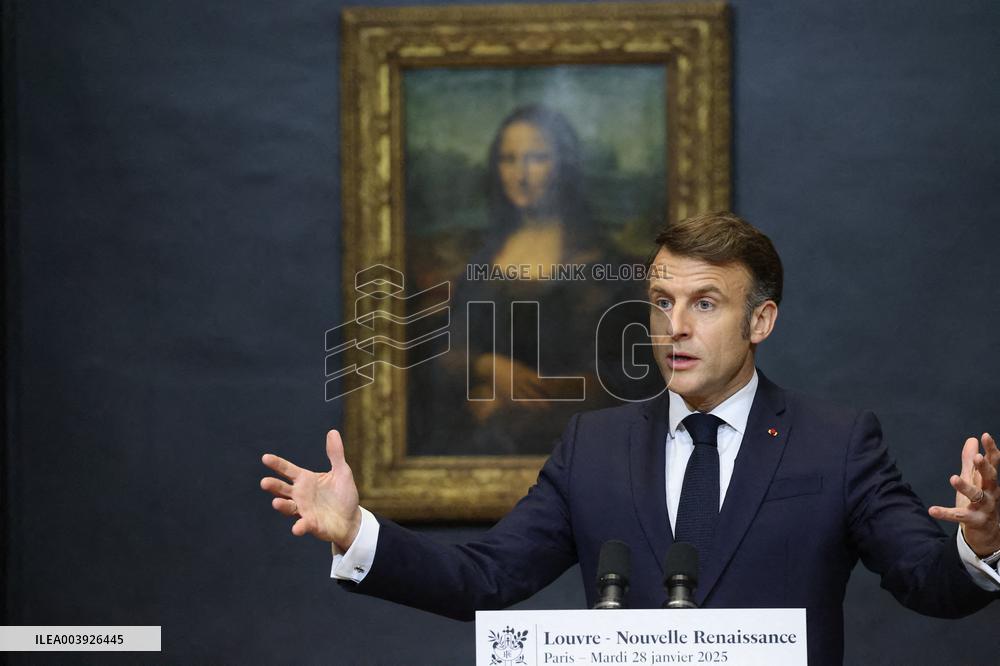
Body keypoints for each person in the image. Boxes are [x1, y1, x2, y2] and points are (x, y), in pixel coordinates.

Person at [261, 212, 1000, 665]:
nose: (674, 326)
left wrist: (983, 543)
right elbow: (483, 580)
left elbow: (925, 580)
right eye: (661, 302)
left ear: (761, 321)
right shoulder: (595, 448)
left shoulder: (836, 445)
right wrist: (358, 533)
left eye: (705, 304)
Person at [409, 105, 636, 456]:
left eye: (537, 158)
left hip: (569, 441)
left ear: (564, 166)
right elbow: (446, 352)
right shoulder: (485, 259)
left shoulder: (597, 262)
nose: (521, 175)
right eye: (508, 159)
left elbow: (620, 378)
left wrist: (523, 398)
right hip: (479, 447)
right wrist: (487, 367)